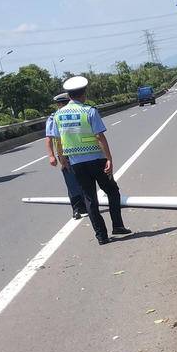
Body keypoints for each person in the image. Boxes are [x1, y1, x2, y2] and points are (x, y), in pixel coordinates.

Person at [44, 76, 132, 245]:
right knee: (112, 191)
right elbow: (100, 136)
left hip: (76, 164)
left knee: (90, 199)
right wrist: (109, 159)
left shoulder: (58, 116)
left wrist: (63, 160)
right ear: (83, 93)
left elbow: (58, 140)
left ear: (69, 95)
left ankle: (101, 236)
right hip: (97, 160)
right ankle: (118, 225)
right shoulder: (89, 111)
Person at [48, 92, 87, 220]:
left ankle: (86, 205)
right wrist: (52, 156)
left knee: (83, 180)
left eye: (65, 103)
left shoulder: (77, 113)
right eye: (60, 104)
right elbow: (50, 139)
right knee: (71, 183)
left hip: (80, 152)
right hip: (65, 155)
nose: (63, 106)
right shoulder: (54, 118)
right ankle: (76, 208)